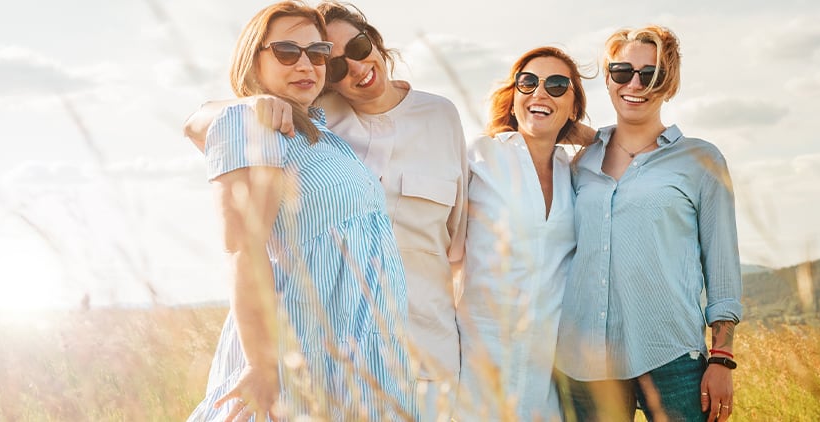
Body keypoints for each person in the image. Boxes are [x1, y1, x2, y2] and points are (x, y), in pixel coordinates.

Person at [184, 2, 468, 419]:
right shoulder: (249, 124)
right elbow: (243, 251)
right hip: (303, 356)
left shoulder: (321, 132)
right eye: (287, 51)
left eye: (316, 54)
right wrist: (260, 365)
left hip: (373, 364)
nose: (307, 64)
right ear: (253, 56)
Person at [555, 25, 745, 421]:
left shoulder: (701, 160)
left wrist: (722, 357)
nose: (635, 83)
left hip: (670, 353)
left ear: (668, 84)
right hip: (586, 362)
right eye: (622, 72)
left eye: (651, 73)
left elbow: (722, 264)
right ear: (608, 79)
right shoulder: (579, 162)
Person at [454, 46, 588, 421]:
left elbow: (615, 144)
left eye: (558, 85)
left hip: (544, 376)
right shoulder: (478, 155)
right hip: (477, 366)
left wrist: (582, 133)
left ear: (575, 105)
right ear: (513, 96)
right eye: (527, 83)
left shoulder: (576, 171)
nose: (540, 93)